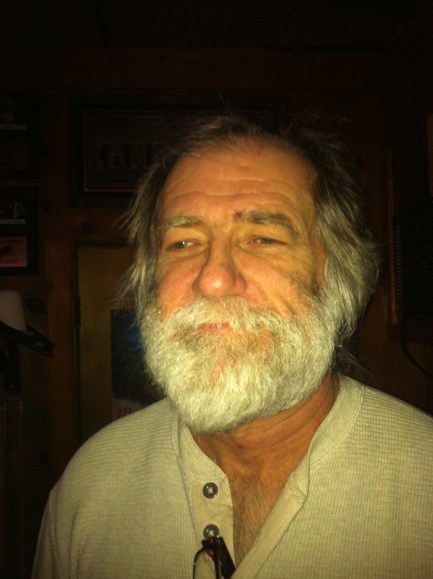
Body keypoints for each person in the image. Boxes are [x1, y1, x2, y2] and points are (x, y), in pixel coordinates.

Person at [32, 111, 433, 578]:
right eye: (183, 243)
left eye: (263, 238)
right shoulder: (90, 486)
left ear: (337, 273)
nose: (215, 279)